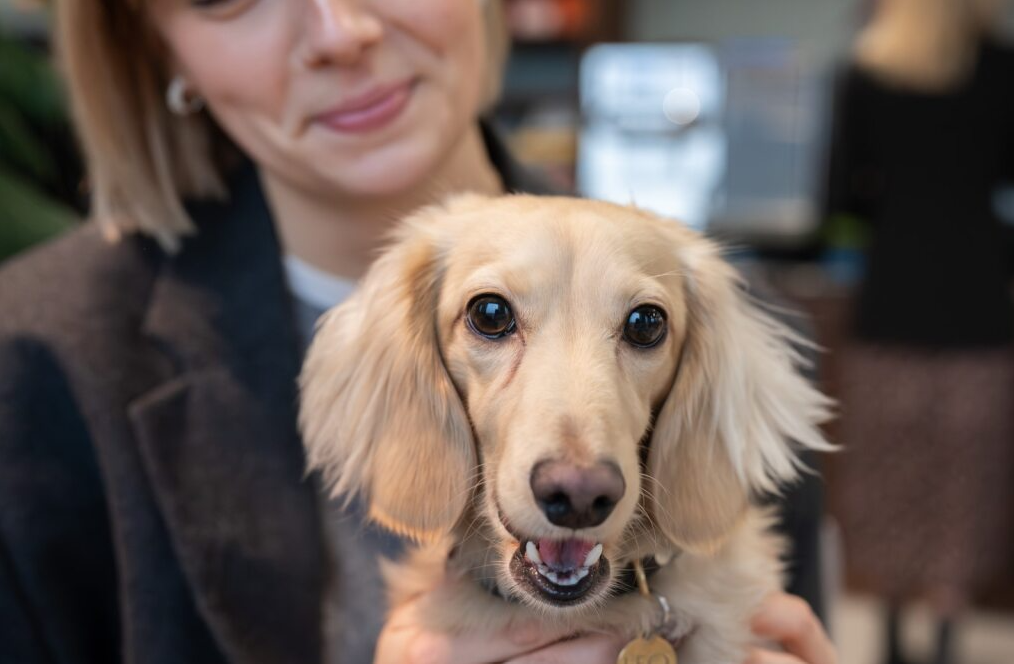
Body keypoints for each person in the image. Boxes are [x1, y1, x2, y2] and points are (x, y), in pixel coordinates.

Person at [0, 1, 836, 662]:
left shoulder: (724, 334)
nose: (340, 32)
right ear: (152, 41)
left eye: (641, 328)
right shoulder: (32, 363)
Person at [825, 1, 1014, 663]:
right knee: (962, 480)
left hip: (891, 304)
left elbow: (839, 200)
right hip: (979, 308)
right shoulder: (1003, 70)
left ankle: (890, 631)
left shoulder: (866, 73)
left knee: (888, 474)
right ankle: (946, 634)